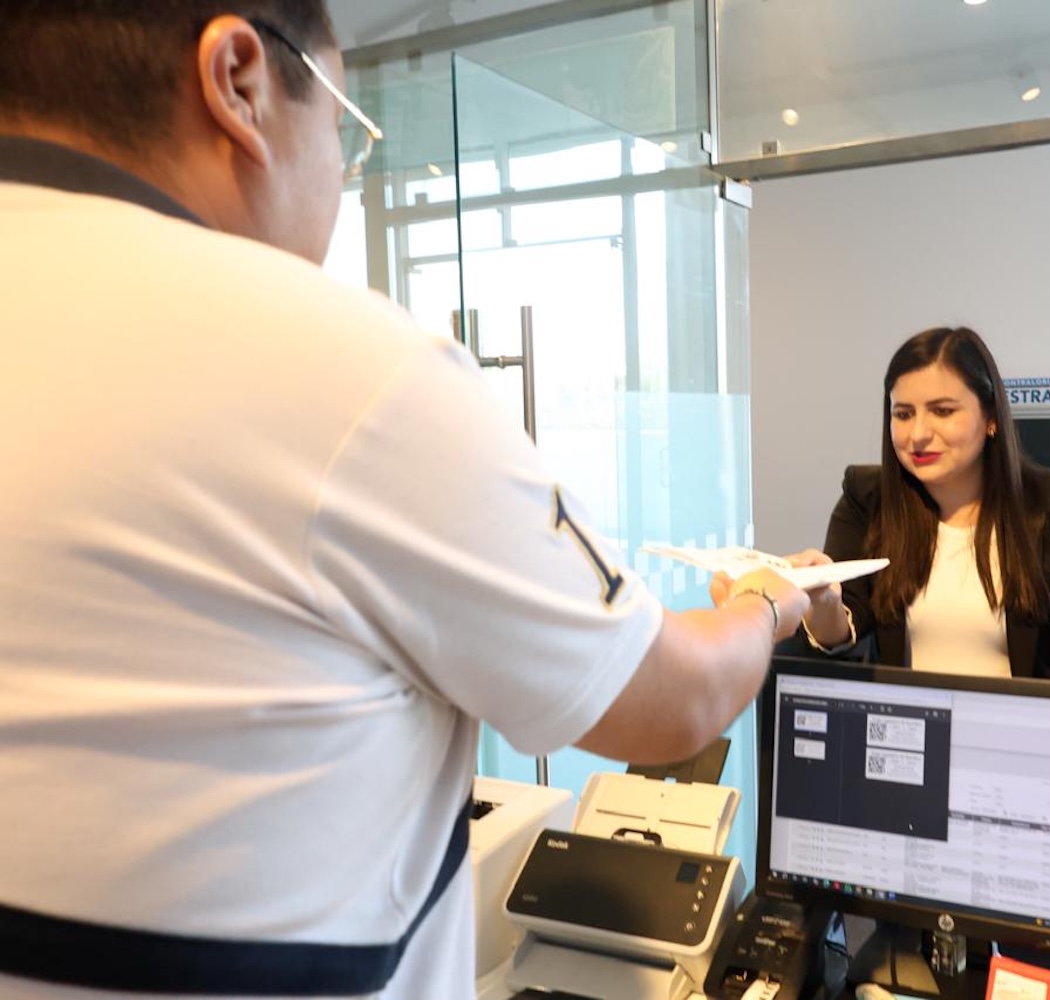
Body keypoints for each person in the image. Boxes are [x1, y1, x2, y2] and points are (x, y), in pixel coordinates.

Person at [0, 3, 809, 997]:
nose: (342, 179)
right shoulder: (339, 369)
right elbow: (672, 701)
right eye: (344, 128)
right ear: (239, 80)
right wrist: (766, 603)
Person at [787, 326, 1050, 684]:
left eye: (942, 411)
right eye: (903, 414)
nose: (918, 434)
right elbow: (841, 634)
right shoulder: (867, 499)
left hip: (1019, 717)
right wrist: (824, 601)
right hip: (905, 717)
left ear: (991, 418)